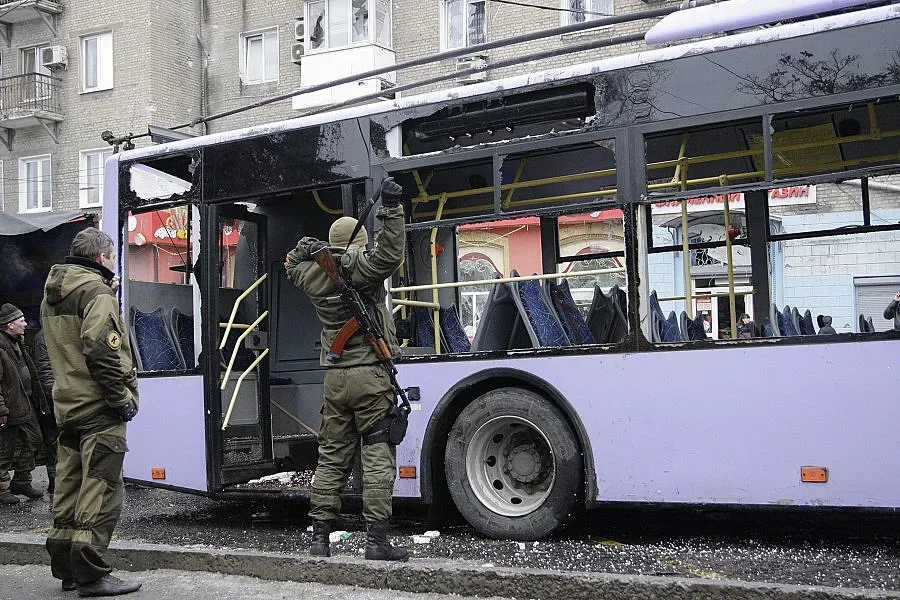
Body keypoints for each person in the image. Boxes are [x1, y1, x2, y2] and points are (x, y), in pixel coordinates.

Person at [285, 177, 408, 562]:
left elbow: (292, 262)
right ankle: (376, 542)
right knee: (376, 456)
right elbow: (390, 255)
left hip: (335, 379)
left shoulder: (311, 275)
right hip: (370, 375)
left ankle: (319, 539)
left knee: (332, 457)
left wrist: (310, 247)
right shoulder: (360, 267)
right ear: (358, 243)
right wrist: (391, 209)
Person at [41, 228, 141, 597]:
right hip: (99, 407)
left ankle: (67, 568)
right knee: (102, 487)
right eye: (112, 257)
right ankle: (91, 573)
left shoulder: (53, 294)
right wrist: (120, 398)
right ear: (101, 258)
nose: (113, 262)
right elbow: (101, 349)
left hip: (68, 406)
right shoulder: (96, 293)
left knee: (69, 485)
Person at [0, 303, 49, 504]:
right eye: (21, 320)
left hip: (24, 403)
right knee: (5, 449)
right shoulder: (2, 347)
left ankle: (21, 481)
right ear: (9, 324)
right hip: (9, 406)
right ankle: (2, 488)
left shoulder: (18, 343)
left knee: (34, 440)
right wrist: (1, 409)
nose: (26, 324)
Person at [32, 328, 59, 498]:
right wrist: (55, 395)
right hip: (53, 399)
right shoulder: (44, 337)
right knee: (53, 441)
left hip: (61, 395)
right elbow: (44, 371)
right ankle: (55, 481)